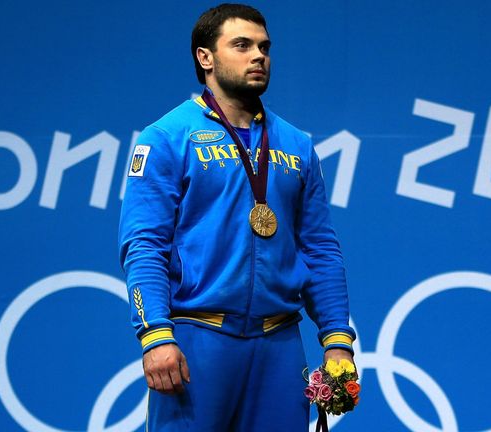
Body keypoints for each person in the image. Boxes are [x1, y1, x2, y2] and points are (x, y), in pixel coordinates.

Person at [119, 4, 356, 431]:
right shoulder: (167, 137)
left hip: (280, 348)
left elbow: (320, 249)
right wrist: (155, 333)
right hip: (199, 340)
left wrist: (338, 340)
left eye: (264, 47)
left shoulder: (297, 145)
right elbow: (144, 246)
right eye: (242, 45)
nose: (258, 56)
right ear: (204, 57)